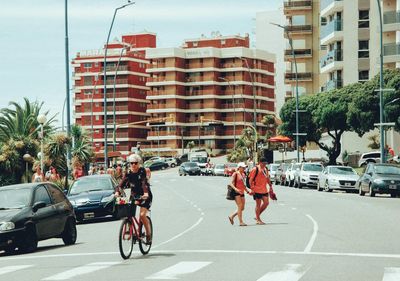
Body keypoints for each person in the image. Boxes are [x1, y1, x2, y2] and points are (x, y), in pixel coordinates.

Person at [115, 154, 153, 244]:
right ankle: (129, 229)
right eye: (131, 163)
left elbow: (144, 183)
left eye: (135, 163)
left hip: (145, 196)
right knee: (128, 213)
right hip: (135, 196)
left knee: (142, 215)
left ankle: (148, 234)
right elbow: (121, 184)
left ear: (138, 163)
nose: (133, 165)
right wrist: (117, 191)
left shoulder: (142, 171)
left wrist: (145, 193)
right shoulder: (128, 172)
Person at [248, 157, 274, 225]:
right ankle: (258, 219)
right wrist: (252, 189)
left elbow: (267, 178)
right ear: (260, 162)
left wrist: (270, 185)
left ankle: (257, 216)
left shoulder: (265, 169)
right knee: (258, 204)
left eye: (265, 163)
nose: (265, 165)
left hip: (264, 189)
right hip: (256, 190)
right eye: (263, 163)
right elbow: (250, 180)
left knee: (266, 203)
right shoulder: (255, 169)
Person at [228, 162, 251, 226]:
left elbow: (243, 185)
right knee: (240, 206)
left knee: (242, 208)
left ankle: (231, 216)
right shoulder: (235, 174)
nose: (244, 168)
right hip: (236, 192)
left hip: (242, 192)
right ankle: (241, 222)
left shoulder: (243, 174)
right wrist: (236, 189)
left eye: (244, 167)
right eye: (243, 167)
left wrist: (247, 191)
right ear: (239, 167)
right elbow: (231, 183)